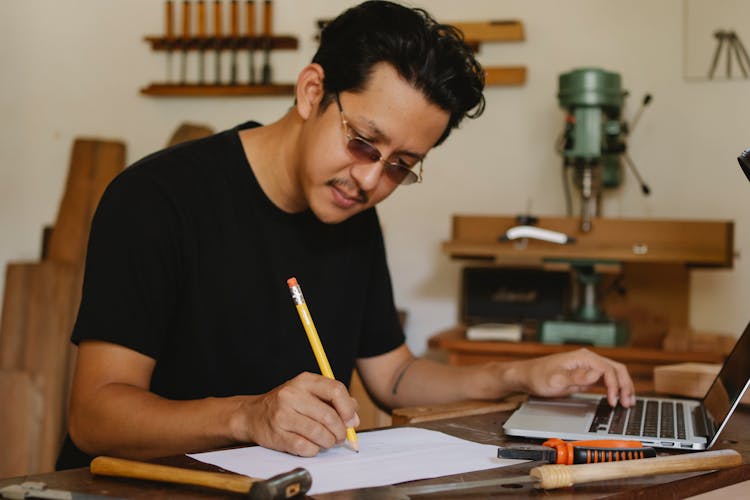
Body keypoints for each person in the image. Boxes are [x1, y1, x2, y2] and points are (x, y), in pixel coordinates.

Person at [56, 0, 635, 470]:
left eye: (401, 165)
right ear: (312, 92)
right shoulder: (157, 199)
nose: (369, 180)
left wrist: (518, 375)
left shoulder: (353, 217)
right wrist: (245, 416)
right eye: (362, 141)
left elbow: (395, 376)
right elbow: (94, 416)